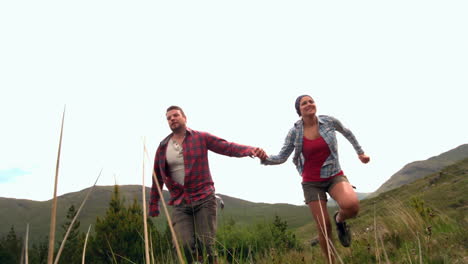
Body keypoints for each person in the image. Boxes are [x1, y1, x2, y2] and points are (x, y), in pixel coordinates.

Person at [149, 105, 267, 264]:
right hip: (180, 203)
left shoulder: (200, 137)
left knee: (206, 246)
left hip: (204, 198)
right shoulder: (163, 147)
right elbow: (157, 176)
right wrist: (153, 204)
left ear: (185, 118)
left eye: (175, 115)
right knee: (183, 246)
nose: (172, 119)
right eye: (168, 118)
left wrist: (251, 150)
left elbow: (227, 147)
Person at [261, 95, 370, 264]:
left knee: (352, 207)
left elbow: (347, 133)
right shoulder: (295, 132)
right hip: (312, 183)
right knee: (323, 226)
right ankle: (331, 262)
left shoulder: (329, 122)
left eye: (311, 101)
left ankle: (339, 220)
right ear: (299, 110)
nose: (309, 104)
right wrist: (264, 158)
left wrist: (360, 152)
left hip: (334, 174)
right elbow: (282, 157)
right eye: (304, 103)